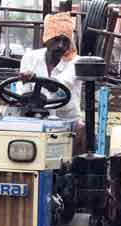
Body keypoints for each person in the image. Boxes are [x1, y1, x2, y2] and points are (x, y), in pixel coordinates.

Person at [19, 11, 84, 151]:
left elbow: (58, 86)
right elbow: (23, 95)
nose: (60, 45)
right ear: (47, 39)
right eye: (56, 40)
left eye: (65, 41)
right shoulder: (30, 57)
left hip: (66, 121)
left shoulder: (75, 62)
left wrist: (34, 77)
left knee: (81, 129)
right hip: (33, 118)